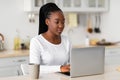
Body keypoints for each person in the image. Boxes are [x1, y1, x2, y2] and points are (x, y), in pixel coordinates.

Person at [29, 3, 71, 73]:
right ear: (47, 22)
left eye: (63, 22)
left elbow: (71, 64)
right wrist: (59, 68)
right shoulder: (36, 41)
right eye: (57, 22)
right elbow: (35, 69)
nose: (61, 25)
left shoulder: (67, 41)